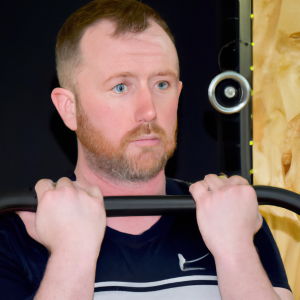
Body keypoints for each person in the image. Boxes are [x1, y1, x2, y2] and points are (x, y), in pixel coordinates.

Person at [0, 1, 294, 299]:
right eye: (121, 87)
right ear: (69, 108)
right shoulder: (16, 233)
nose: (149, 111)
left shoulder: (235, 217)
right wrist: (70, 256)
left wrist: (236, 249)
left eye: (162, 84)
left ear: (178, 96)